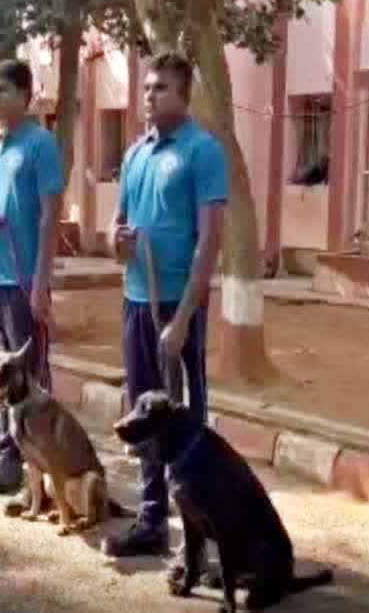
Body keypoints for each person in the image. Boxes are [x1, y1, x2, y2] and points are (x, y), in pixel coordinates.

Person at [102, 52, 227, 557]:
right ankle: (153, 519)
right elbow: (115, 227)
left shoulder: (203, 151)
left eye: (160, 88)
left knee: (188, 420)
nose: (149, 96)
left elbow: (210, 241)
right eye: (146, 87)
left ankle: (205, 530)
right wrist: (118, 242)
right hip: (137, 301)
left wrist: (181, 321)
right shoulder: (135, 155)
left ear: (184, 95)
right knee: (142, 415)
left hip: (179, 307)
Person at [0, 60, 63, 499]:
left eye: (6, 90)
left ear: (27, 97)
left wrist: (41, 283)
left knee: (31, 378)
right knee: (3, 375)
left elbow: (49, 217)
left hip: (25, 282)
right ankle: (10, 460)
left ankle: (44, 465)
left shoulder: (41, 144)